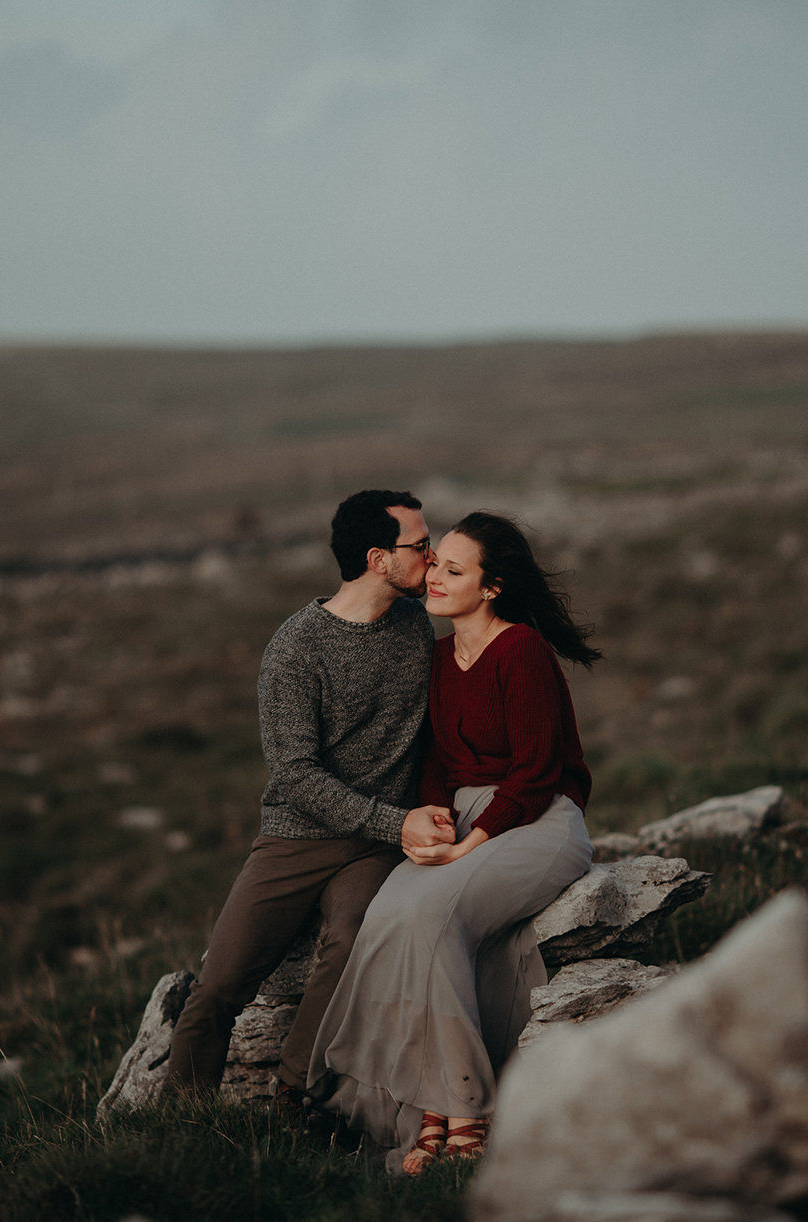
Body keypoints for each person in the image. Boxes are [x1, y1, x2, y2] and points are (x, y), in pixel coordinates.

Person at [309, 510, 600, 1174]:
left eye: (454, 571)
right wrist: (434, 817)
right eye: (436, 564)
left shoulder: (521, 649)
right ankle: (430, 1103)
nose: (434, 578)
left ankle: (467, 1107)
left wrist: (467, 848)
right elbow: (437, 760)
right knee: (388, 914)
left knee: (432, 915)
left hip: (538, 823)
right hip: (465, 819)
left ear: (491, 587)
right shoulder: (440, 657)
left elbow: (534, 772)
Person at [164, 490, 457, 1106]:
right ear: (378, 559)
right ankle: (177, 1123)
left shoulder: (413, 621)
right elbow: (295, 774)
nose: (434, 558)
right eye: (421, 546)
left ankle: (294, 1098)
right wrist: (395, 821)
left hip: (375, 844)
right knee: (219, 985)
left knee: (351, 940)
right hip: (299, 835)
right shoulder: (296, 649)